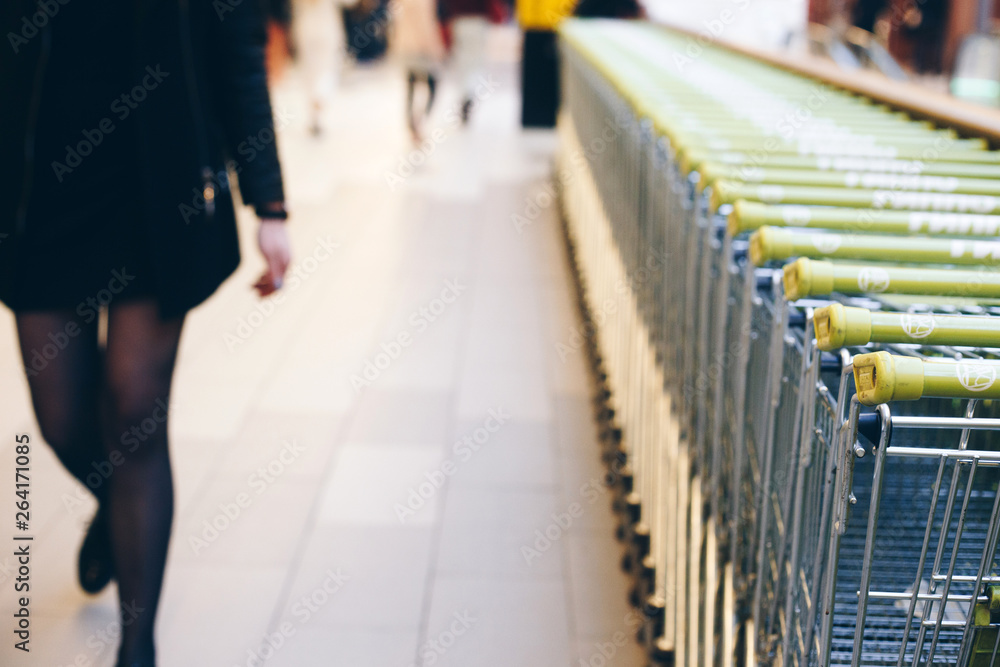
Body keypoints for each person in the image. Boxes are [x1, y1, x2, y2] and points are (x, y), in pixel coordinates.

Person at [0, 1, 290, 665]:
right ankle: (116, 504)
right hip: (38, 192)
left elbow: (237, 49)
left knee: (134, 412)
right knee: (62, 420)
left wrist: (269, 201)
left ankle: (138, 647)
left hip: (160, 194)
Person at [391, 0, 446, 142]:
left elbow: (394, 22)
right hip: (421, 49)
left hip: (404, 46)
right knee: (433, 84)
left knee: (411, 87)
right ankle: (419, 120)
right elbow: (426, 25)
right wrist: (436, 48)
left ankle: (412, 123)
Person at [440, 0, 494, 124]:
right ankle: (469, 93)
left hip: (459, 19)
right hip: (477, 20)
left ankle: (465, 93)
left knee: (462, 60)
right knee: (475, 60)